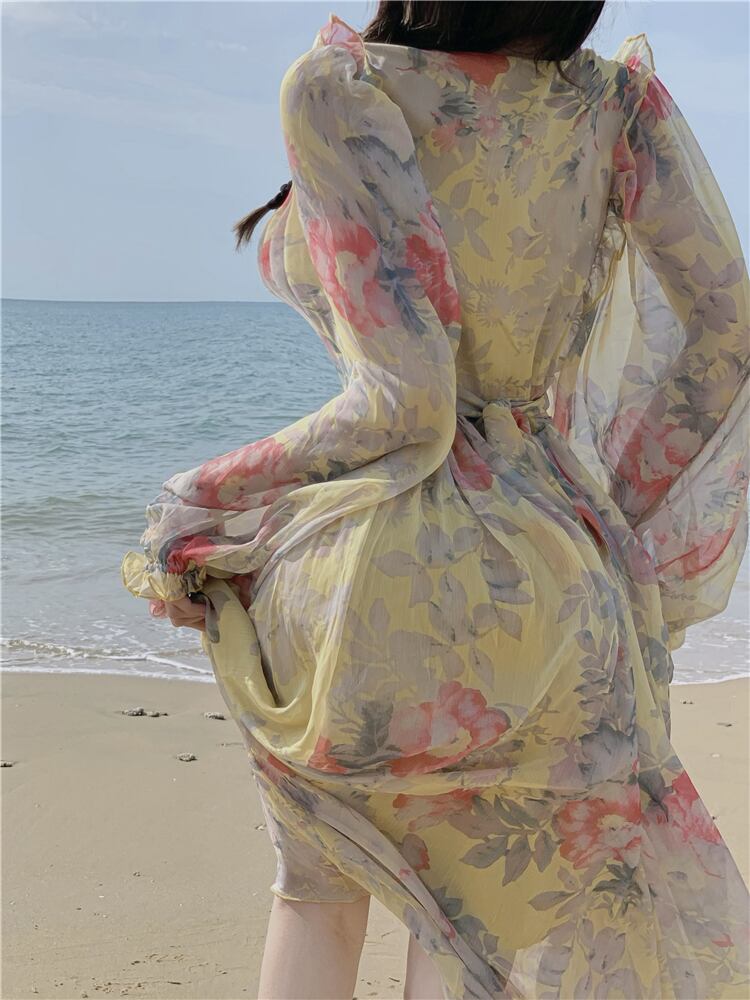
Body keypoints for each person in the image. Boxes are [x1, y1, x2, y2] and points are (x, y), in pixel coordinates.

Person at [121, 1, 750, 997]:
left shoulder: (345, 90)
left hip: (384, 572)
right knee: (474, 933)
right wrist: (607, 517)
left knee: (320, 894)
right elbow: (728, 334)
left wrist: (193, 500)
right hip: (566, 580)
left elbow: (404, 403)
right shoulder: (617, 108)